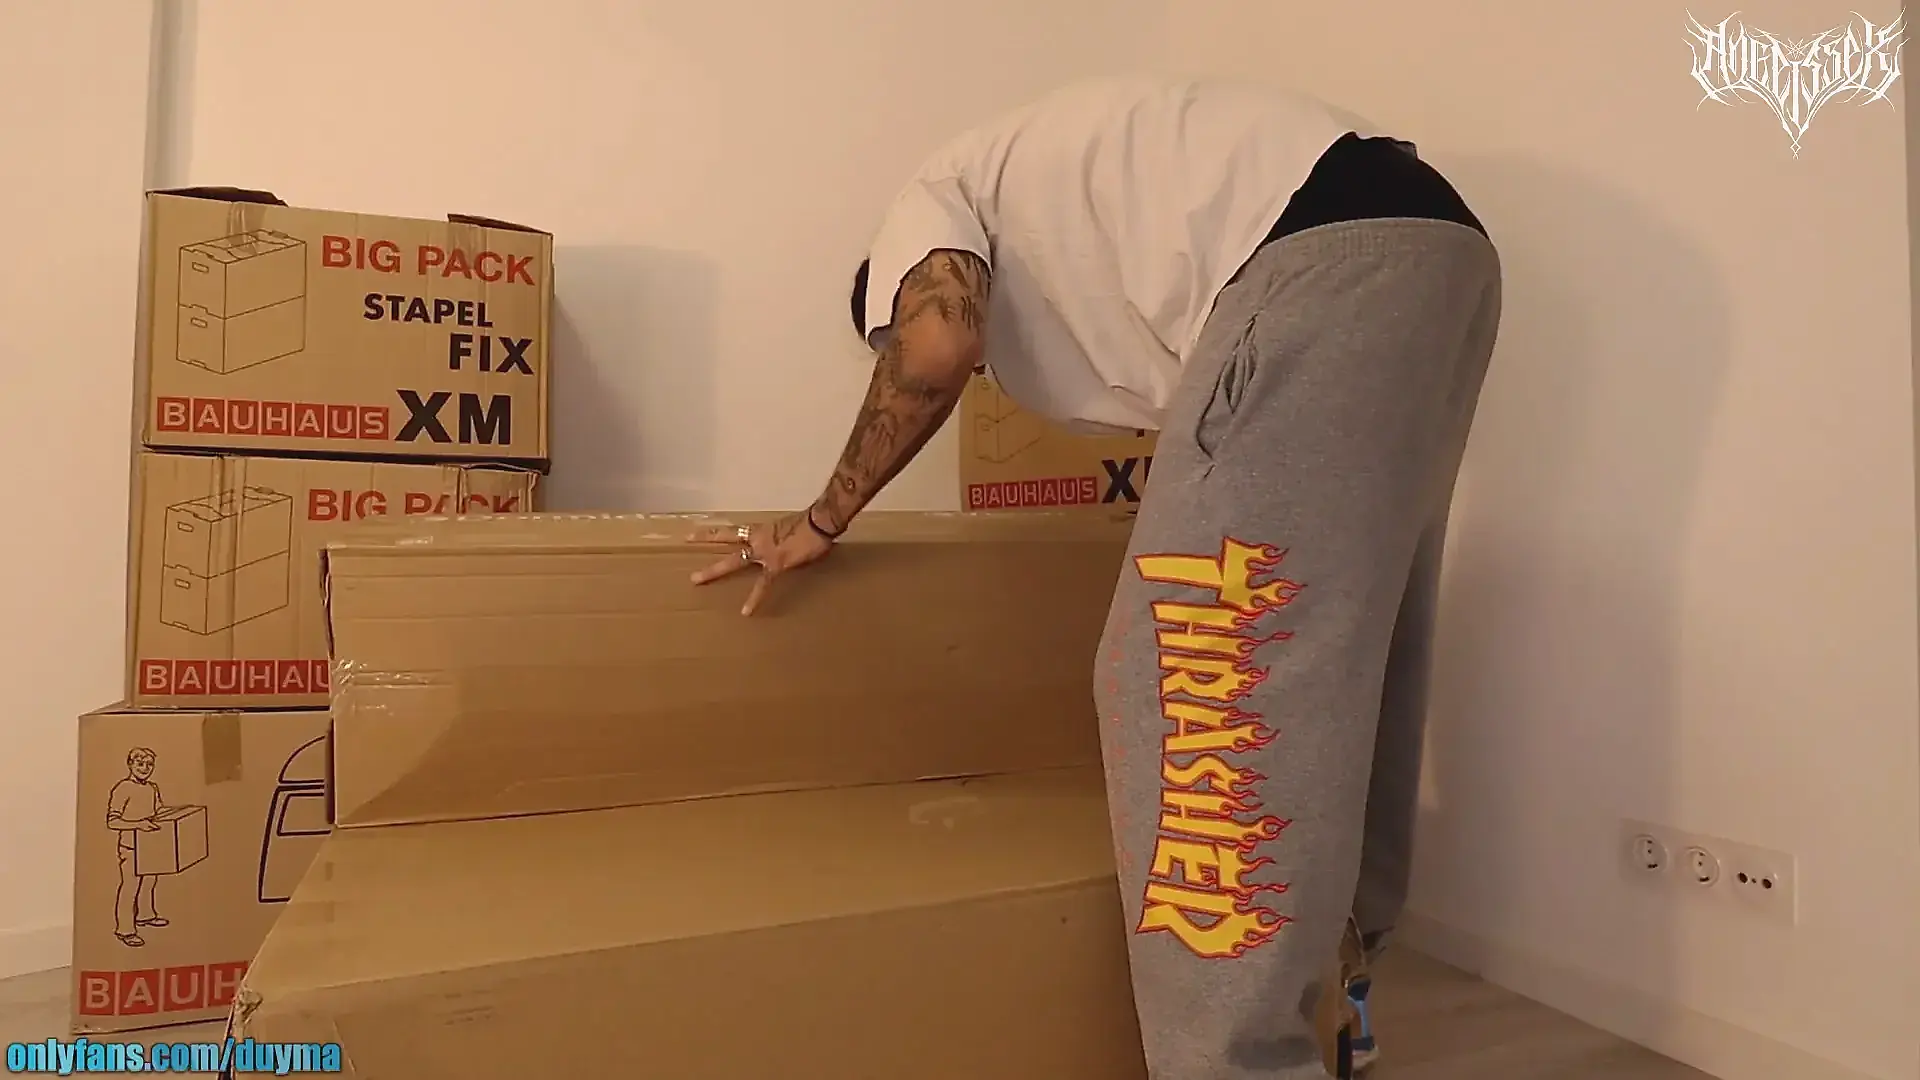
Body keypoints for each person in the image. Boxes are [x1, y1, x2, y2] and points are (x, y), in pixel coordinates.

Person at [690, 75, 1500, 1080]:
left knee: (1186, 673)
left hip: (1313, 261)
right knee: (1346, 644)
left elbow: (937, 346)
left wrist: (823, 517)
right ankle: (1345, 993)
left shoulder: (928, 208)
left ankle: (1238, 1062)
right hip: (1437, 252)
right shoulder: (1063, 208)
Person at [106, 747, 170, 947]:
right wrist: (138, 824)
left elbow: (159, 810)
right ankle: (125, 929)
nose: (145, 768)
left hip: (150, 845)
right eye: (140, 764)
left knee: (149, 881)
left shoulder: (152, 788)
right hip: (130, 846)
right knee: (130, 886)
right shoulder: (122, 788)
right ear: (130, 764)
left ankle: (145, 915)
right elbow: (112, 821)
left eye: (149, 764)